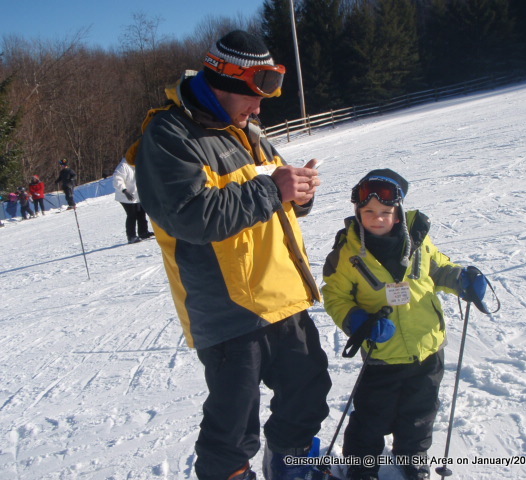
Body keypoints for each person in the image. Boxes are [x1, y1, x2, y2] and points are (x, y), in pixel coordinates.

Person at [134, 30, 335, 480]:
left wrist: (298, 193)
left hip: (282, 296)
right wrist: (273, 189)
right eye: (251, 97)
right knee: (232, 430)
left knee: (307, 395)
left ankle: (293, 470)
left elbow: (274, 194)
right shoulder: (168, 134)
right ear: (221, 83)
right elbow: (190, 216)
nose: (259, 108)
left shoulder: (249, 132)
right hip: (229, 310)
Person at [322, 169, 489, 480]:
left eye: (385, 212)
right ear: (358, 212)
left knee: (420, 413)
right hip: (382, 353)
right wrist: (357, 321)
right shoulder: (345, 253)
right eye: (368, 211)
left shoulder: (419, 240)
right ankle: (361, 467)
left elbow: (439, 269)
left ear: (397, 213)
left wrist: (462, 280)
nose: (376, 218)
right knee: (372, 417)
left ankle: (412, 457)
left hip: (427, 347)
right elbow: (335, 296)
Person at [112, 157, 153, 244]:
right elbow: (117, 179)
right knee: (132, 215)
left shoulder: (137, 164)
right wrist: (124, 190)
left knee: (141, 213)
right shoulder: (123, 166)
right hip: (125, 197)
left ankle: (143, 232)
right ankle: (131, 236)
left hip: (136, 195)